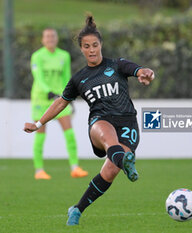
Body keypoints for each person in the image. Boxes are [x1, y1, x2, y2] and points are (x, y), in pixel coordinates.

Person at [24, 15, 155, 226]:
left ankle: (77, 209)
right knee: (107, 133)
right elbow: (60, 103)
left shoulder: (117, 65)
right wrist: (38, 124)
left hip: (128, 124)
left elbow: (139, 70)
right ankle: (124, 161)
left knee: (110, 171)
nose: (92, 49)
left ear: (101, 45)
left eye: (95, 45)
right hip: (99, 122)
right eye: (87, 46)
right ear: (82, 49)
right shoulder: (79, 78)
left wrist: (146, 73)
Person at [30, 28, 88, 179]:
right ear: (43, 40)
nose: (50, 38)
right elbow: (39, 78)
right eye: (47, 36)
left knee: (69, 133)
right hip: (41, 99)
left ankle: (75, 168)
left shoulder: (64, 56)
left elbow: (66, 78)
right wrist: (48, 91)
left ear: (56, 39)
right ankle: (39, 170)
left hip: (59, 100)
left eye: (53, 36)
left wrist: (69, 94)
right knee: (40, 135)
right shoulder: (37, 56)